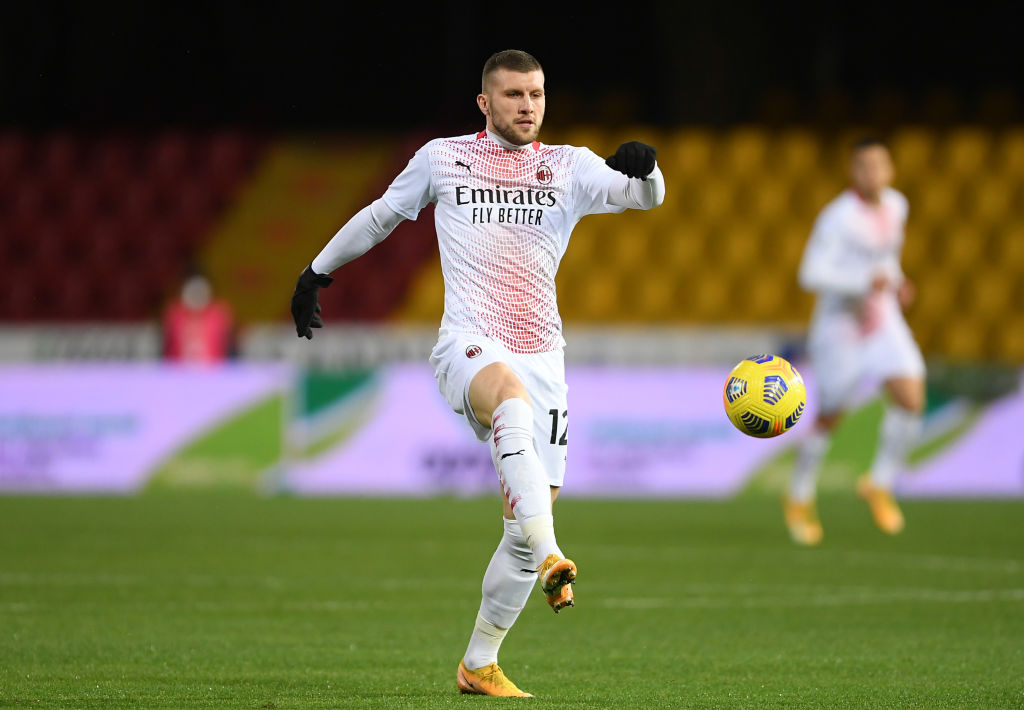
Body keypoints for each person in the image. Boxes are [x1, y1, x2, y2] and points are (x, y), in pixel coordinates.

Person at [290, 49, 664, 696]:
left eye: (537, 94)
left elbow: (644, 199)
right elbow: (382, 215)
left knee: (520, 531)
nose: (528, 105)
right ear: (484, 104)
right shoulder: (442, 157)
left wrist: (648, 167)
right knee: (511, 411)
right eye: (514, 94)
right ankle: (554, 554)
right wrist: (316, 270)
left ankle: (479, 663)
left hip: (545, 354)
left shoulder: (568, 166)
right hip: (468, 343)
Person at [785, 137, 925, 546]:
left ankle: (878, 482)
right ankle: (799, 495)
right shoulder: (838, 217)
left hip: (882, 319)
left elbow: (886, 259)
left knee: (911, 397)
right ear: (853, 171)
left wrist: (897, 282)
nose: (872, 174)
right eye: (864, 166)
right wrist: (864, 282)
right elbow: (810, 274)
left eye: (879, 165)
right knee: (831, 416)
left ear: (891, 170)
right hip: (840, 326)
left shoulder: (897, 205)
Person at [163, 270, 236, 363]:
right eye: (192, 290)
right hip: (178, 372)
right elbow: (166, 345)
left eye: (200, 290)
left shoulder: (219, 313)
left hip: (214, 372)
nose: (196, 295)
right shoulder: (174, 313)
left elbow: (229, 346)